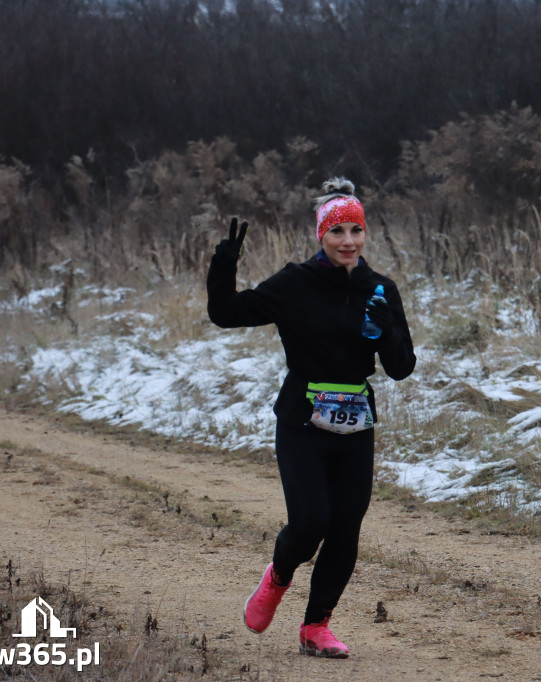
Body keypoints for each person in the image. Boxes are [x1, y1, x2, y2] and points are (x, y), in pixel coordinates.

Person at [206, 177, 416, 659]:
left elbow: (402, 368)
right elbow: (226, 313)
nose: (348, 241)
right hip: (302, 420)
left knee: (345, 528)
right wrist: (223, 267)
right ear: (321, 235)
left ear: (365, 235)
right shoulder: (295, 283)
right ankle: (277, 578)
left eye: (356, 231)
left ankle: (315, 627)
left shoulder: (381, 289)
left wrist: (385, 334)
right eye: (337, 231)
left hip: (356, 425)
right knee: (310, 523)